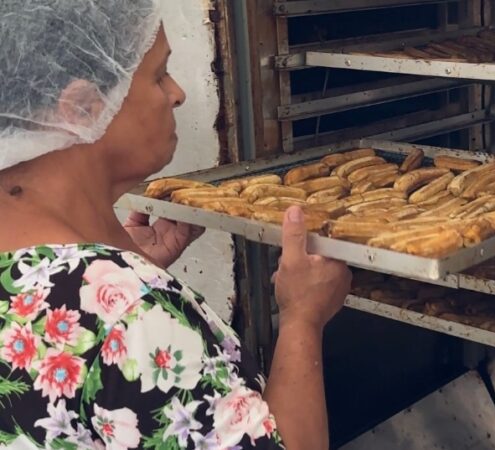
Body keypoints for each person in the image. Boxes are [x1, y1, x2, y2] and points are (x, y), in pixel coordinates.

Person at [0, 1, 351, 449]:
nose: (178, 92)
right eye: (159, 74)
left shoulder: (55, 278)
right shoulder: (130, 316)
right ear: (82, 108)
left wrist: (124, 264)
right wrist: (303, 317)